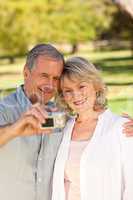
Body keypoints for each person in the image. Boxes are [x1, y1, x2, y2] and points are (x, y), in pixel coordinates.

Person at [52, 56, 133, 200]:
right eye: (68, 90)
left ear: (96, 86)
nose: (76, 95)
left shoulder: (121, 128)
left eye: (81, 86)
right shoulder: (61, 127)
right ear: (62, 96)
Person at [0, 43, 65, 200]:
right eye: (44, 75)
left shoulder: (62, 115)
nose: (50, 85)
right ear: (26, 73)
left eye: (56, 78)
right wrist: (14, 129)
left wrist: (121, 126)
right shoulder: (4, 109)